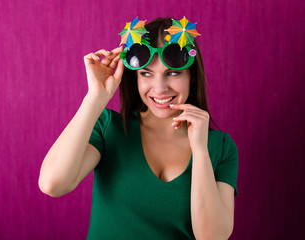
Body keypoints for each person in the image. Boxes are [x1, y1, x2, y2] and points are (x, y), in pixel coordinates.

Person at [38, 16, 238, 240]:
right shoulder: (108, 128)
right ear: (135, 77)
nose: (159, 88)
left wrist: (200, 150)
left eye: (172, 73)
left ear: (192, 76)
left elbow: (212, 237)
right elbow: (52, 184)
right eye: (146, 74)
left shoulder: (220, 146)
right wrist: (95, 98)